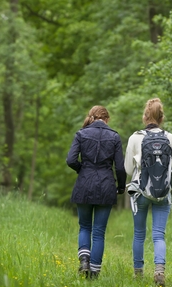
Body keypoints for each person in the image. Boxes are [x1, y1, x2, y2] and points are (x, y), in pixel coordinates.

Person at [124, 98, 172, 287]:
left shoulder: (134, 137)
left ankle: (138, 274)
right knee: (158, 235)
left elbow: (129, 170)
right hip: (163, 193)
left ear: (145, 116)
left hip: (140, 192)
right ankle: (159, 272)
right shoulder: (170, 138)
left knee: (139, 234)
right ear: (162, 117)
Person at [66, 105, 127, 279]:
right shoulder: (114, 136)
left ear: (92, 117)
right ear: (106, 119)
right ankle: (93, 274)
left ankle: (84, 260)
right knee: (99, 231)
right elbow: (120, 168)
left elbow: (70, 160)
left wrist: (81, 169)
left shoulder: (81, 134)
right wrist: (121, 187)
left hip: (84, 184)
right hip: (106, 186)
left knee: (85, 226)